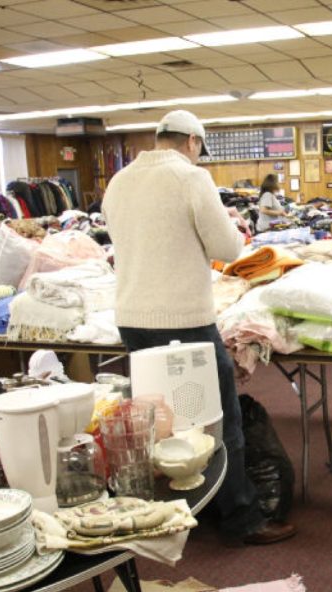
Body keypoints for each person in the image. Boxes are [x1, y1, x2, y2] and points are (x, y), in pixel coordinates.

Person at [102, 110, 296, 545]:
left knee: (157, 421)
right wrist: (236, 230)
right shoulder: (190, 178)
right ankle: (241, 519)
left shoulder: (119, 180)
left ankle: (170, 509)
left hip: (132, 317)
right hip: (183, 319)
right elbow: (227, 247)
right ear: (192, 141)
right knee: (215, 417)